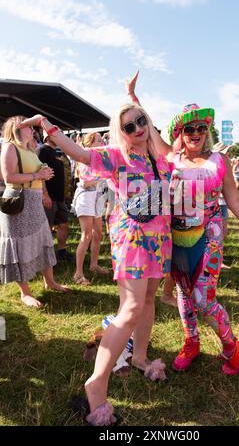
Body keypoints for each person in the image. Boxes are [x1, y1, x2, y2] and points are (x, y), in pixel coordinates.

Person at [18, 109, 172, 426]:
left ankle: (140, 357)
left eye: (142, 121)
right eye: (129, 125)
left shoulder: (161, 159)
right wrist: (46, 125)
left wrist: (135, 101)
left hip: (160, 239)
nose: (138, 128)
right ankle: (97, 380)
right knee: (130, 308)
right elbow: (79, 152)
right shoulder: (116, 156)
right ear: (121, 131)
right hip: (132, 239)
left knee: (148, 300)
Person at [127, 72, 239, 377]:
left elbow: (233, 199)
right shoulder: (171, 157)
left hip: (209, 234)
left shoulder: (219, 162)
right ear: (181, 132)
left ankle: (234, 347)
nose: (196, 133)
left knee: (202, 298)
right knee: (182, 292)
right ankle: (191, 342)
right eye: (189, 128)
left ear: (207, 131)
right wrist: (134, 99)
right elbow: (147, 128)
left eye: (201, 128)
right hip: (177, 237)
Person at [0, 116, 70, 308]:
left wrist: (43, 180)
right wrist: (37, 175)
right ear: (16, 130)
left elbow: (38, 175)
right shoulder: (10, 147)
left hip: (34, 201)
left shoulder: (30, 149)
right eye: (28, 128)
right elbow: (9, 177)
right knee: (20, 246)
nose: (33, 131)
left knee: (43, 240)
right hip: (19, 202)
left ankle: (50, 282)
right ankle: (25, 293)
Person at [72, 132, 110, 285]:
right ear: (90, 143)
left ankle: (94, 265)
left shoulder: (98, 157)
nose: (103, 142)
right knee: (86, 235)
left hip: (97, 197)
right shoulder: (85, 157)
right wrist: (105, 176)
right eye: (99, 140)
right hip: (86, 197)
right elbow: (86, 183)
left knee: (98, 233)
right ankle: (78, 274)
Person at [39, 136, 73, 262]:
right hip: (49, 197)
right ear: (47, 137)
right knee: (47, 227)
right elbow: (40, 173)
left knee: (63, 224)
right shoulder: (43, 150)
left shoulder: (57, 151)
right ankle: (45, 257)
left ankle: (62, 251)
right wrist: (45, 194)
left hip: (60, 197)